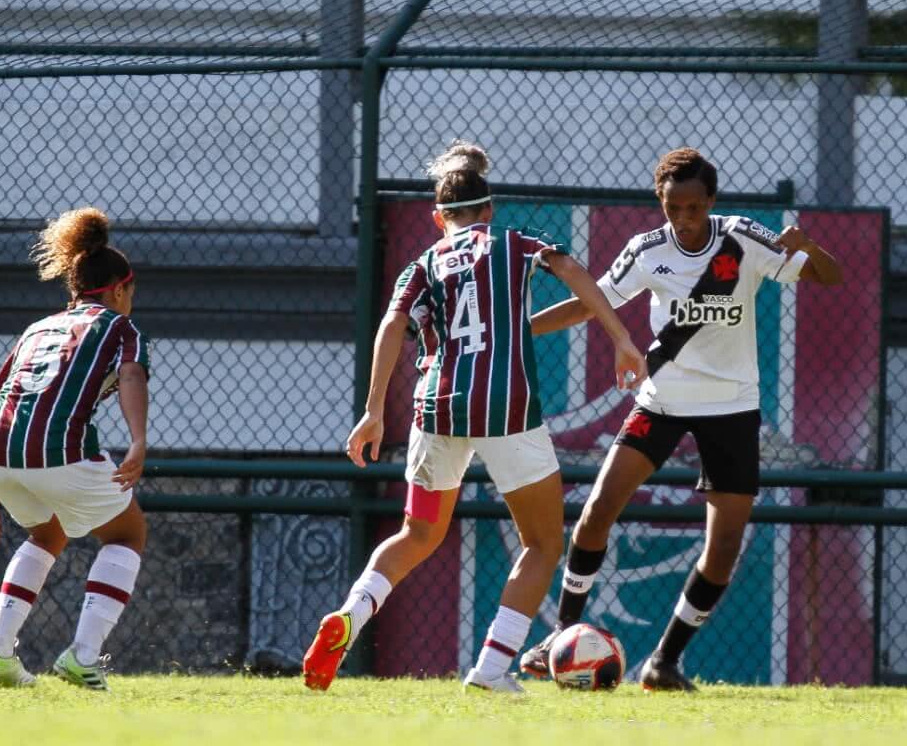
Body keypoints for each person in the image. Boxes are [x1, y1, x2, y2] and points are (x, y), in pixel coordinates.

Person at [302, 141, 646, 693]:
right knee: (540, 543)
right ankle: (490, 669)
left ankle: (352, 613)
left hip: (435, 409)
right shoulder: (513, 243)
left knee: (416, 533)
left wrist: (371, 412)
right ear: (490, 209)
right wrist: (622, 339)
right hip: (506, 410)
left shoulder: (423, 264)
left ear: (437, 217)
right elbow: (571, 269)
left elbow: (391, 327)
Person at [519, 148, 843, 691]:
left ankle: (664, 662)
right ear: (660, 203)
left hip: (732, 409)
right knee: (598, 509)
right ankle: (561, 636)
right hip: (662, 401)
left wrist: (807, 244)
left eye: (694, 207)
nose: (684, 218)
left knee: (723, 549)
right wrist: (519, 330)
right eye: (674, 207)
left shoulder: (744, 239)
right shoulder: (645, 251)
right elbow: (589, 304)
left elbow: (829, 277)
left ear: (711, 202)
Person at [0, 207, 150, 692]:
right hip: (56, 450)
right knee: (127, 534)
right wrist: (140, 441)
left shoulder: (38, 329)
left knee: (49, 534)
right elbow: (130, 374)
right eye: (132, 292)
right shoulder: (118, 327)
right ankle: (83, 658)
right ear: (120, 290)